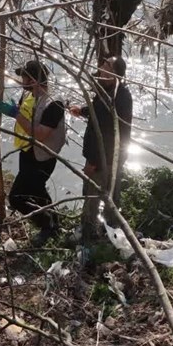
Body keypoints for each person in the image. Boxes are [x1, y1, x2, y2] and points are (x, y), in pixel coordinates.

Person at [0, 60, 66, 246]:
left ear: (33, 80)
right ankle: (54, 223)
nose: (21, 80)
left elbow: (40, 134)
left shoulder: (54, 103)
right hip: (27, 151)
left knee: (16, 198)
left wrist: (15, 114)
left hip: (43, 156)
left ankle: (46, 226)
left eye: (24, 77)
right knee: (38, 191)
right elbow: (26, 115)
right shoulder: (30, 94)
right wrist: (7, 110)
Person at [69, 57, 133, 232]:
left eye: (107, 65)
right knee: (109, 192)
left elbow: (107, 133)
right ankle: (107, 228)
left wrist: (93, 162)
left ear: (115, 74)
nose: (101, 67)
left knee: (94, 195)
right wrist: (82, 111)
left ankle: (90, 230)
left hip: (106, 156)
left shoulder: (117, 97)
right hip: (109, 155)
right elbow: (98, 112)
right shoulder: (107, 91)